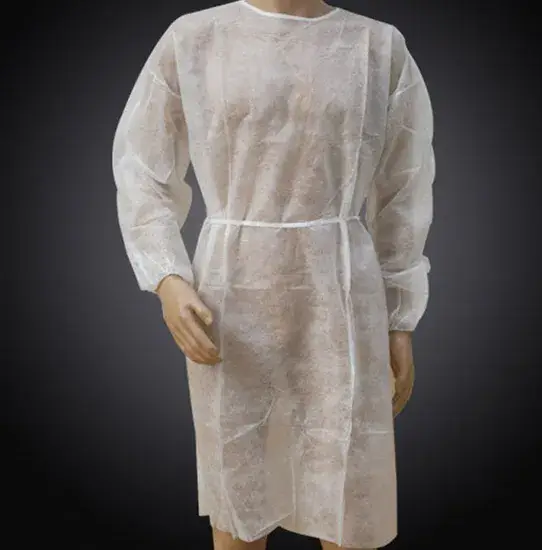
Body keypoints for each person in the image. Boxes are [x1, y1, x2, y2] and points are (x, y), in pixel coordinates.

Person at [111, 1, 435, 549]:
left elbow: (404, 188)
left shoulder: (376, 46)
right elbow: (142, 166)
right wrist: (167, 276)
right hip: (233, 291)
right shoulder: (196, 37)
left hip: (341, 290)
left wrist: (400, 319)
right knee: (238, 488)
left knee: (350, 491)